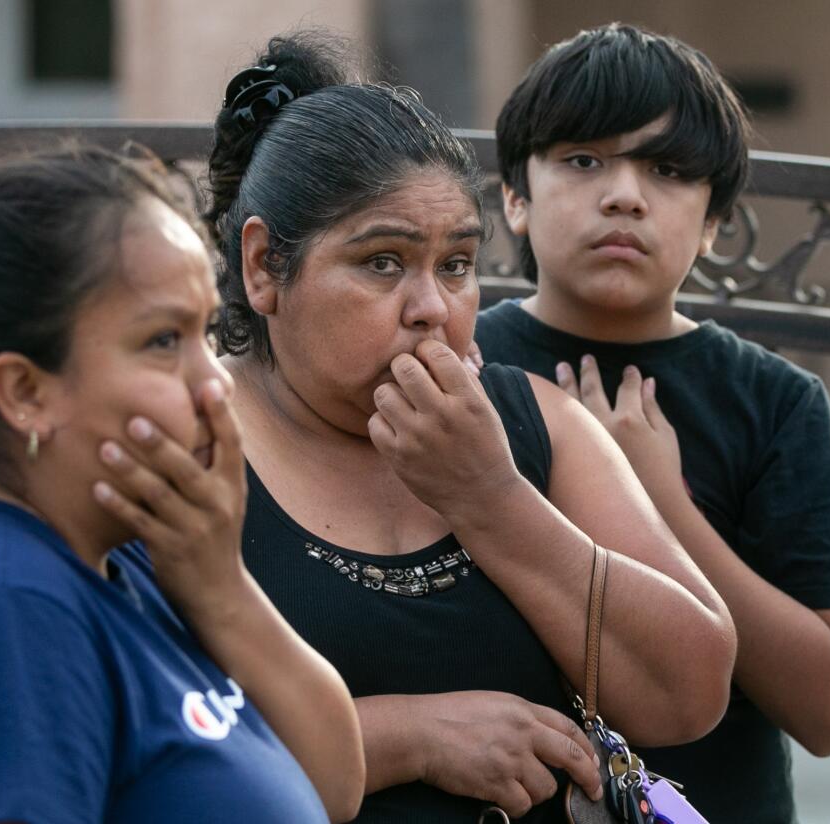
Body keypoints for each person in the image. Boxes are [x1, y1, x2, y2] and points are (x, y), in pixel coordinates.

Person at [206, 33, 737, 823]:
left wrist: (489, 495)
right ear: (263, 269)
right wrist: (402, 738)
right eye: (382, 262)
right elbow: (133, 748)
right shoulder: (190, 445)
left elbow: (688, 692)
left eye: (455, 265)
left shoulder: (531, 424)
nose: (432, 308)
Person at [0, 145, 364, 823]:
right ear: (25, 391)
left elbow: (330, 786)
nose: (215, 382)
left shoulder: (113, 549)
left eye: (206, 332)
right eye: (161, 341)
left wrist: (221, 588)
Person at [480, 23, 830, 823]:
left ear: (714, 222)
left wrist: (664, 504)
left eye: (667, 169)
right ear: (515, 198)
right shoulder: (454, 368)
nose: (624, 194)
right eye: (583, 160)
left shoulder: (775, 402)